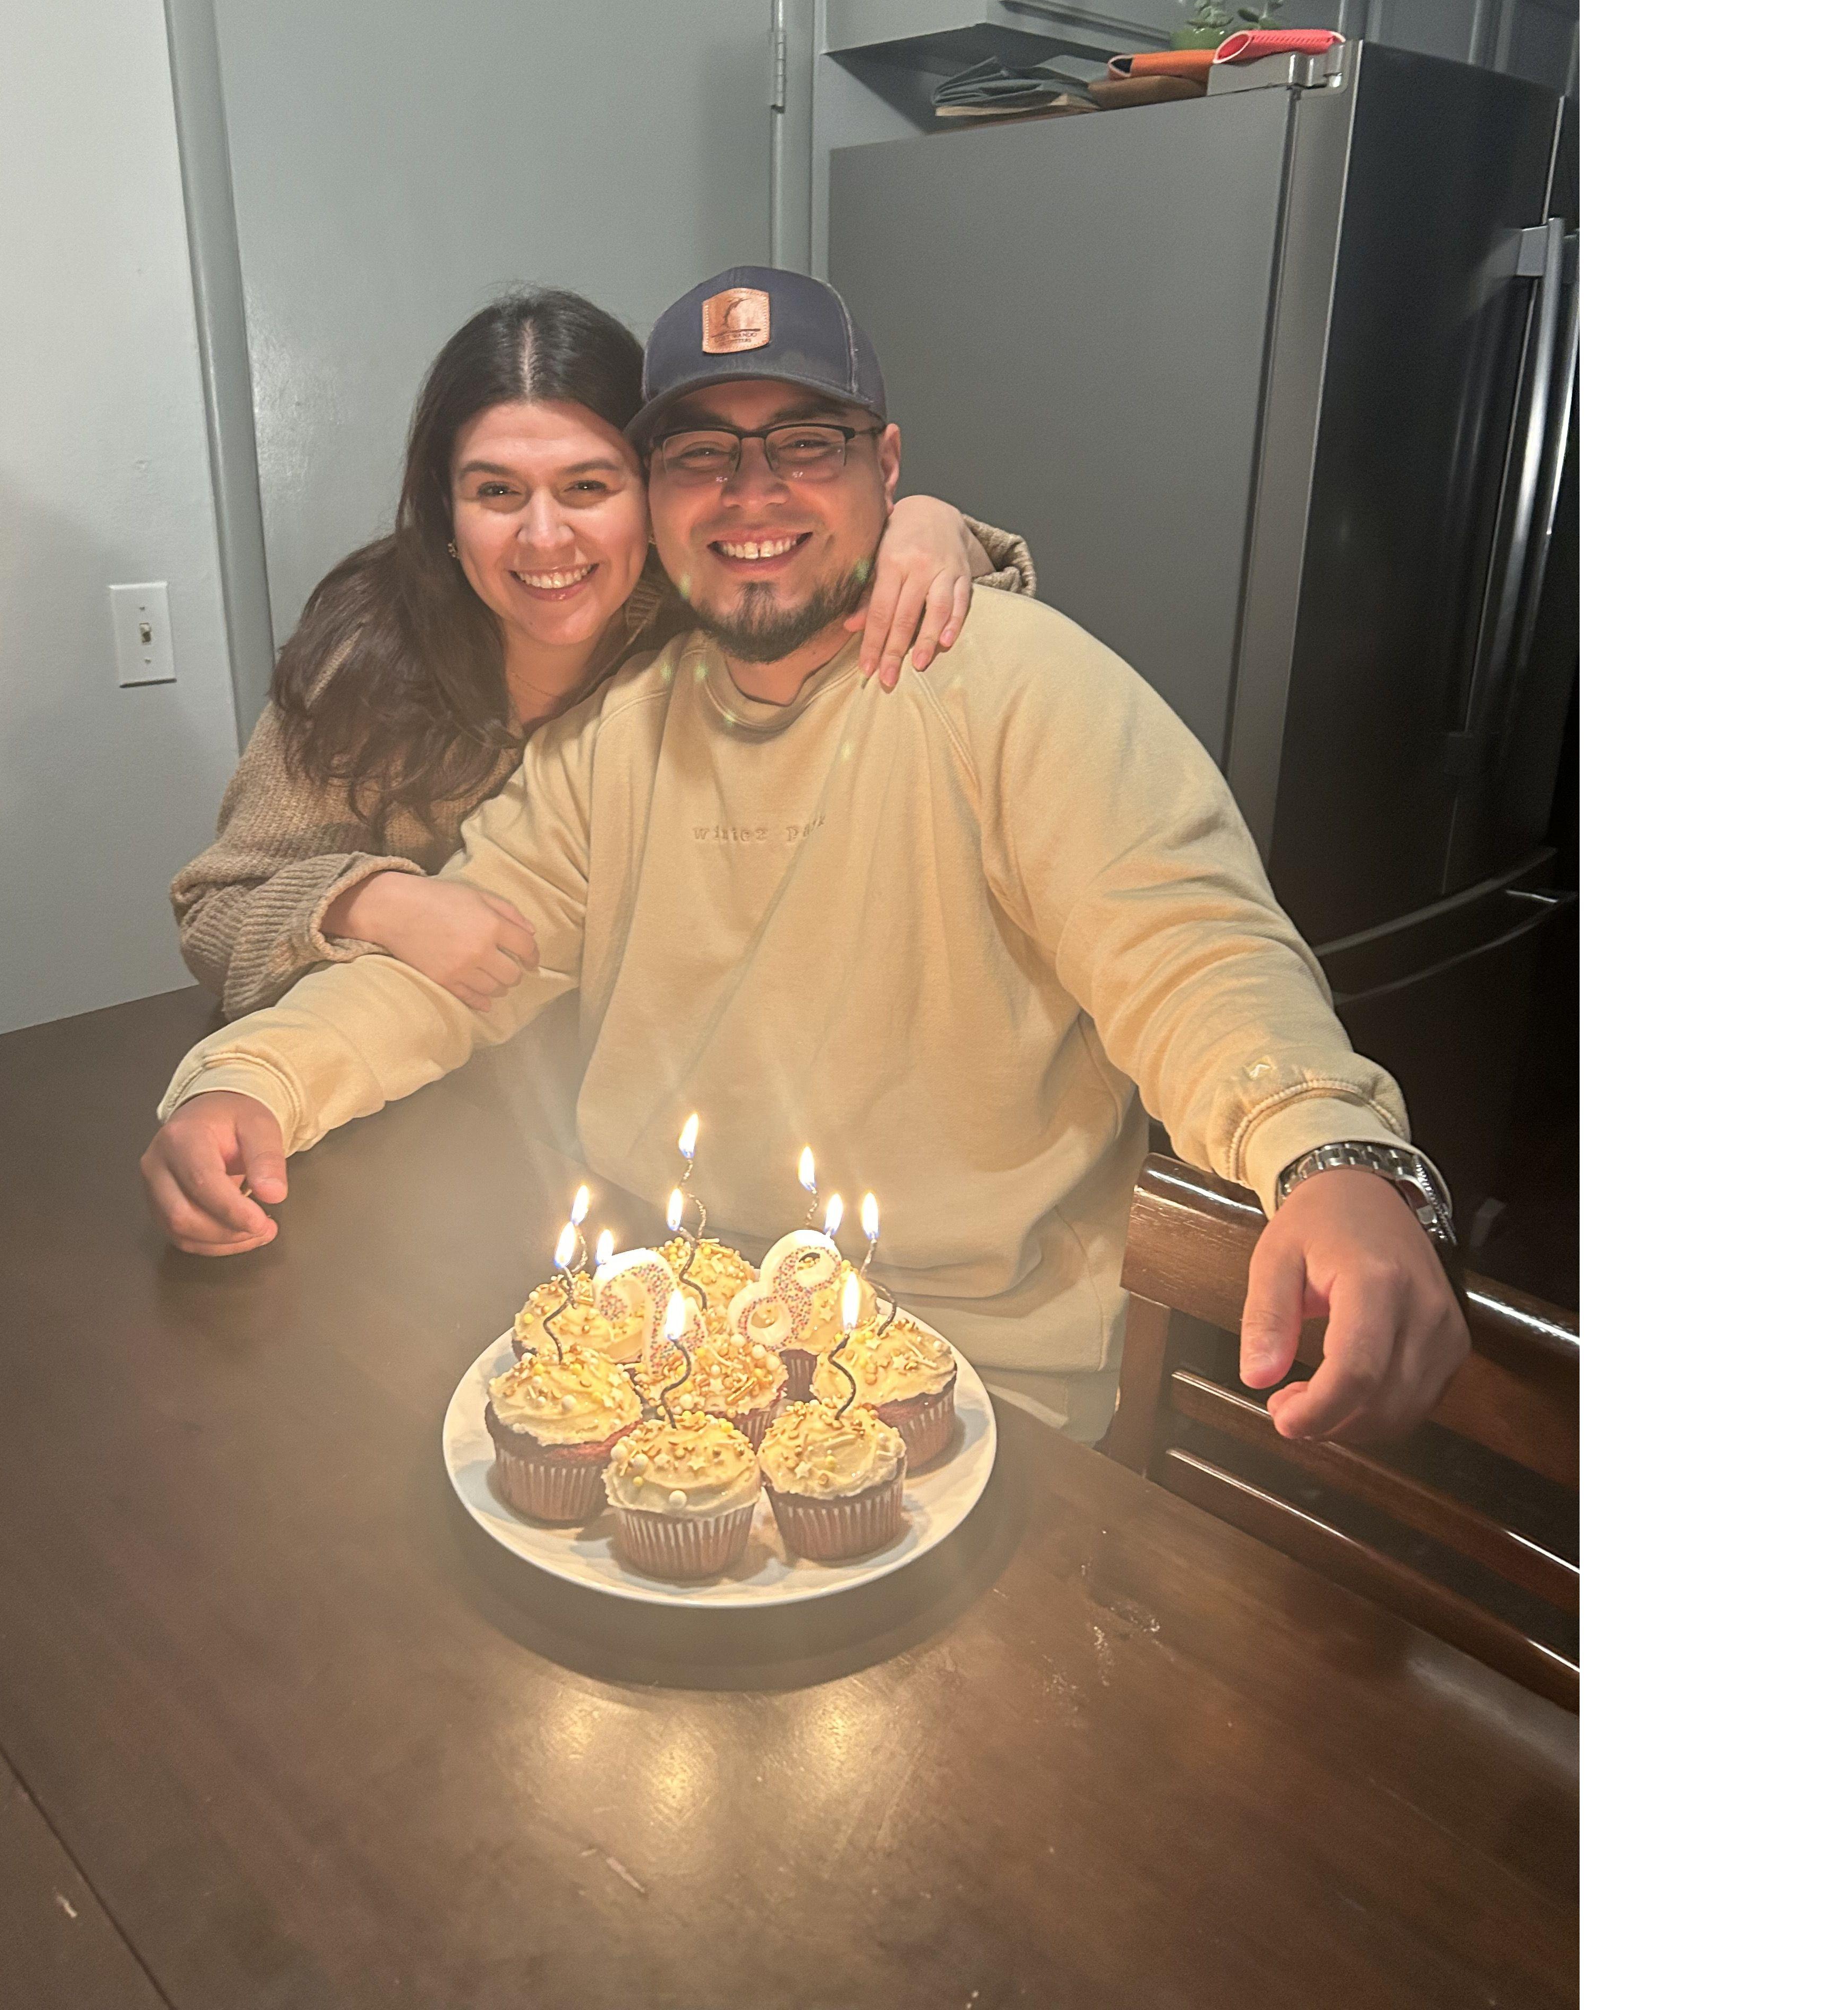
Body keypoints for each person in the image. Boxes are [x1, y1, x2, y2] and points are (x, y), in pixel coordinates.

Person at [141, 266, 1469, 1448]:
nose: (752, 495)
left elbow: (1186, 944)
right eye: (703, 457)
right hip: (665, 1349)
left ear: (889, 471)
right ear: (659, 505)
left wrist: (1333, 1152)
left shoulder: (1019, 687)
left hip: (967, 1385)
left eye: (806, 446)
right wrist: (253, 1084)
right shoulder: (618, 734)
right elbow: (458, 960)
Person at [171, 286, 1031, 1020]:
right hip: (378, 1092)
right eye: (498, 491)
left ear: (655, 489)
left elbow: (928, 634)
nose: (544, 538)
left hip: (605, 1108)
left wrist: (926, 523)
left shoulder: (700, 617)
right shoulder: (372, 654)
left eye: (589, 486)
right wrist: (376, 902)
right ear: (447, 505)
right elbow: (215, 911)